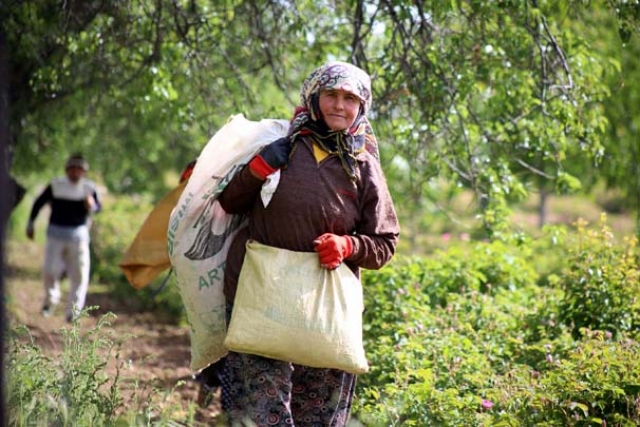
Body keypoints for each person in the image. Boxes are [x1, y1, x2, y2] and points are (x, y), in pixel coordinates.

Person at [217, 61, 400, 426]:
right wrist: (257, 169)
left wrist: (348, 246)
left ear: (361, 107)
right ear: (313, 98)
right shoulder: (277, 146)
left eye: (350, 98)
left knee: (317, 413)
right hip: (260, 295)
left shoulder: (363, 165)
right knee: (260, 412)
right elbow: (228, 204)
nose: (339, 105)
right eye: (331, 95)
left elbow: (385, 242)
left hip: (324, 306)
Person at [26, 154, 101, 322]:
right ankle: (50, 301)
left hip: (78, 236)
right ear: (67, 170)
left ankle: (73, 312)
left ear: (83, 172)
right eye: (72, 169)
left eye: (79, 170)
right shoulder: (56, 185)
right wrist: (30, 224)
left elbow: (97, 208)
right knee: (50, 271)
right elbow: (38, 203)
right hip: (56, 235)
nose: (75, 172)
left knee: (79, 274)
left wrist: (91, 205)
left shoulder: (88, 188)